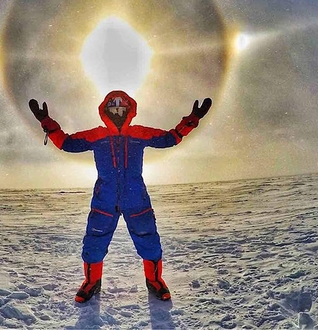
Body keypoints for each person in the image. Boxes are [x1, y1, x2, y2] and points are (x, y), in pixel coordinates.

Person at [29, 90, 212, 303]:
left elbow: (169, 139)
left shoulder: (138, 133)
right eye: (113, 108)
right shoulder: (97, 135)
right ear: (105, 111)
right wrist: (46, 121)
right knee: (94, 242)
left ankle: (154, 281)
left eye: (122, 108)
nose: (118, 112)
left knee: (149, 240)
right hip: (104, 200)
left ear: (130, 110)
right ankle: (91, 283)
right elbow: (66, 143)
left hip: (136, 199)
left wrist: (193, 119)